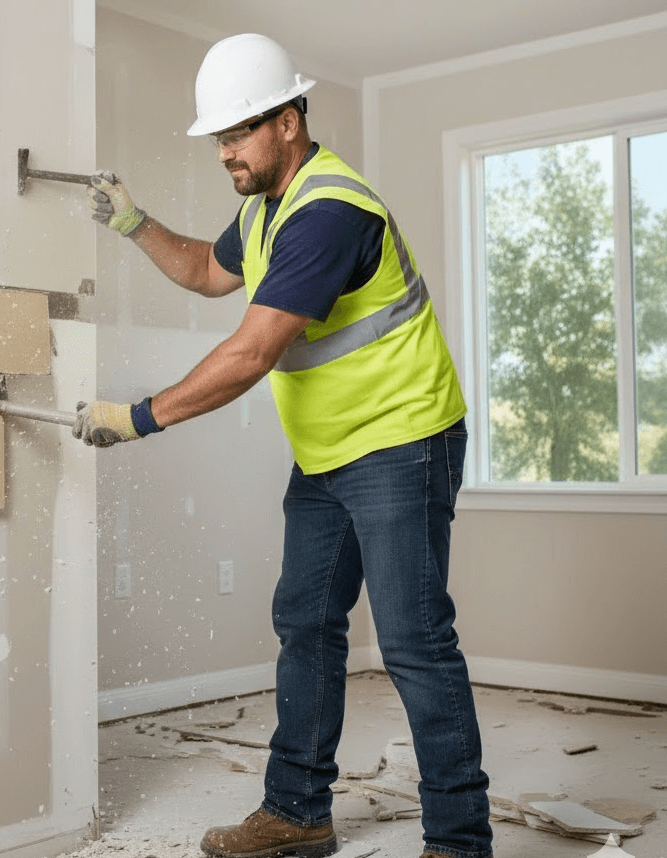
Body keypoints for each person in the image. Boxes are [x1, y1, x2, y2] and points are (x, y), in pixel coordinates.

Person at [74, 33, 493, 858]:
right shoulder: (266, 207)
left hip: (403, 441)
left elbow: (250, 353)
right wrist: (133, 223)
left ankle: (460, 839)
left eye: (238, 134)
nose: (225, 151)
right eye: (219, 138)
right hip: (330, 454)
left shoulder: (329, 212)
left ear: (290, 122)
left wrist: (138, 417)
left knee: (413, 639)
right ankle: (298, 812)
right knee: (304, 619)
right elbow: (205, 269)